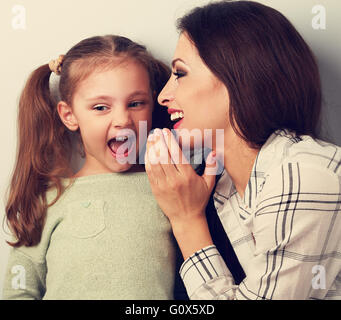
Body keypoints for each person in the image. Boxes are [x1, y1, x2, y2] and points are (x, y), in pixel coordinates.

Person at [145, 1, 341, 300]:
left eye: (180, 74)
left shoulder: (305, 173)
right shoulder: (220, 187)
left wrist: (186, 221)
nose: (163, 96)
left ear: (240, 77)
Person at [3, 35, 177, 299]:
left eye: (135, 103)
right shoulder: (49, 201)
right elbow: (18, 290)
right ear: (69, 115)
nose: (122, 119)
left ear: (152, 104)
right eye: (100, 107)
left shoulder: (171, 185)